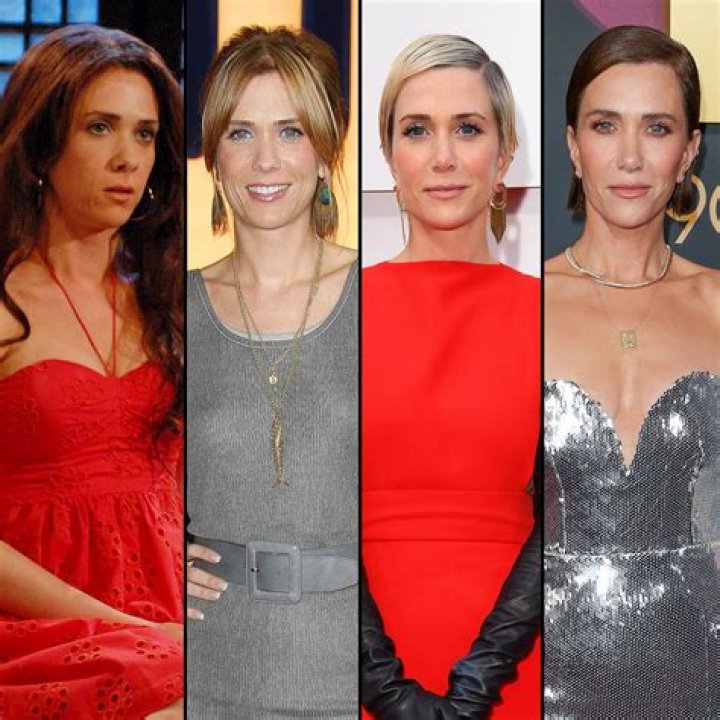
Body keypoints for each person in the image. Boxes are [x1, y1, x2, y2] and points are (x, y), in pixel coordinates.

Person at [0, 24, 184, 719]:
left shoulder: (167, 307)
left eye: (145, 134)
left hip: (171, 610)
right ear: (43, 143)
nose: (127, 157)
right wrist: (122, 626)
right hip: (42, 623)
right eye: (99, 127)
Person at [361, 35, 541, 719]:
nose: (442, 157)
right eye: (417, 130)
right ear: (388, 157)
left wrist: (477, 686)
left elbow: (575, 515)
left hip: (513, 662)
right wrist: (384, 689)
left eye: (467, 128)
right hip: (356, 664)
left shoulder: (552, 312)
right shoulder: (332, 310)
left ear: (505, 155)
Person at [544, 25, 720, 717]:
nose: (629, 156)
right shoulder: (516, 305)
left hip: (700, 671)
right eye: (604, 125)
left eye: (657, 127)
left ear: (690, 151)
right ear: (572, 145)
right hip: (541, 677)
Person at [185, 26, 358, 718]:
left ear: (326, 149)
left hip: (359, 680)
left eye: (290, 131)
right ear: (214, 155)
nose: (265, 160)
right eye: (240, 133)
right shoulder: (170, 312)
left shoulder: (385, 298)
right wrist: (155, 556)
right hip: (208, 675)